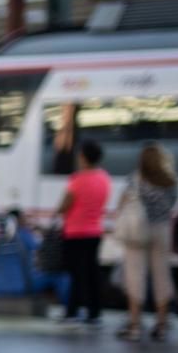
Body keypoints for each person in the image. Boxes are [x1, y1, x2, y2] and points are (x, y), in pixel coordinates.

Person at [116, 142, 178, 342]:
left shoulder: (135, 179)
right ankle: (161, 324)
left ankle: (134, 325)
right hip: (162, 230)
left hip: (138, 230)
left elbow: (122, 203)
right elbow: (172, 204)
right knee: (162, 275)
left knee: (135, 275)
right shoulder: (171, 181)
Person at [56, 138, 111, 325]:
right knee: (92, 272)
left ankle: (72, 311)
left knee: (76, 274)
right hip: (95, 231)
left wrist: (59, 212)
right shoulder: (104, 178)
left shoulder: (77, 179)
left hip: (75, 232)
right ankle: (94, 312)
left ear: (82, 157)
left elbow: (65, 204)